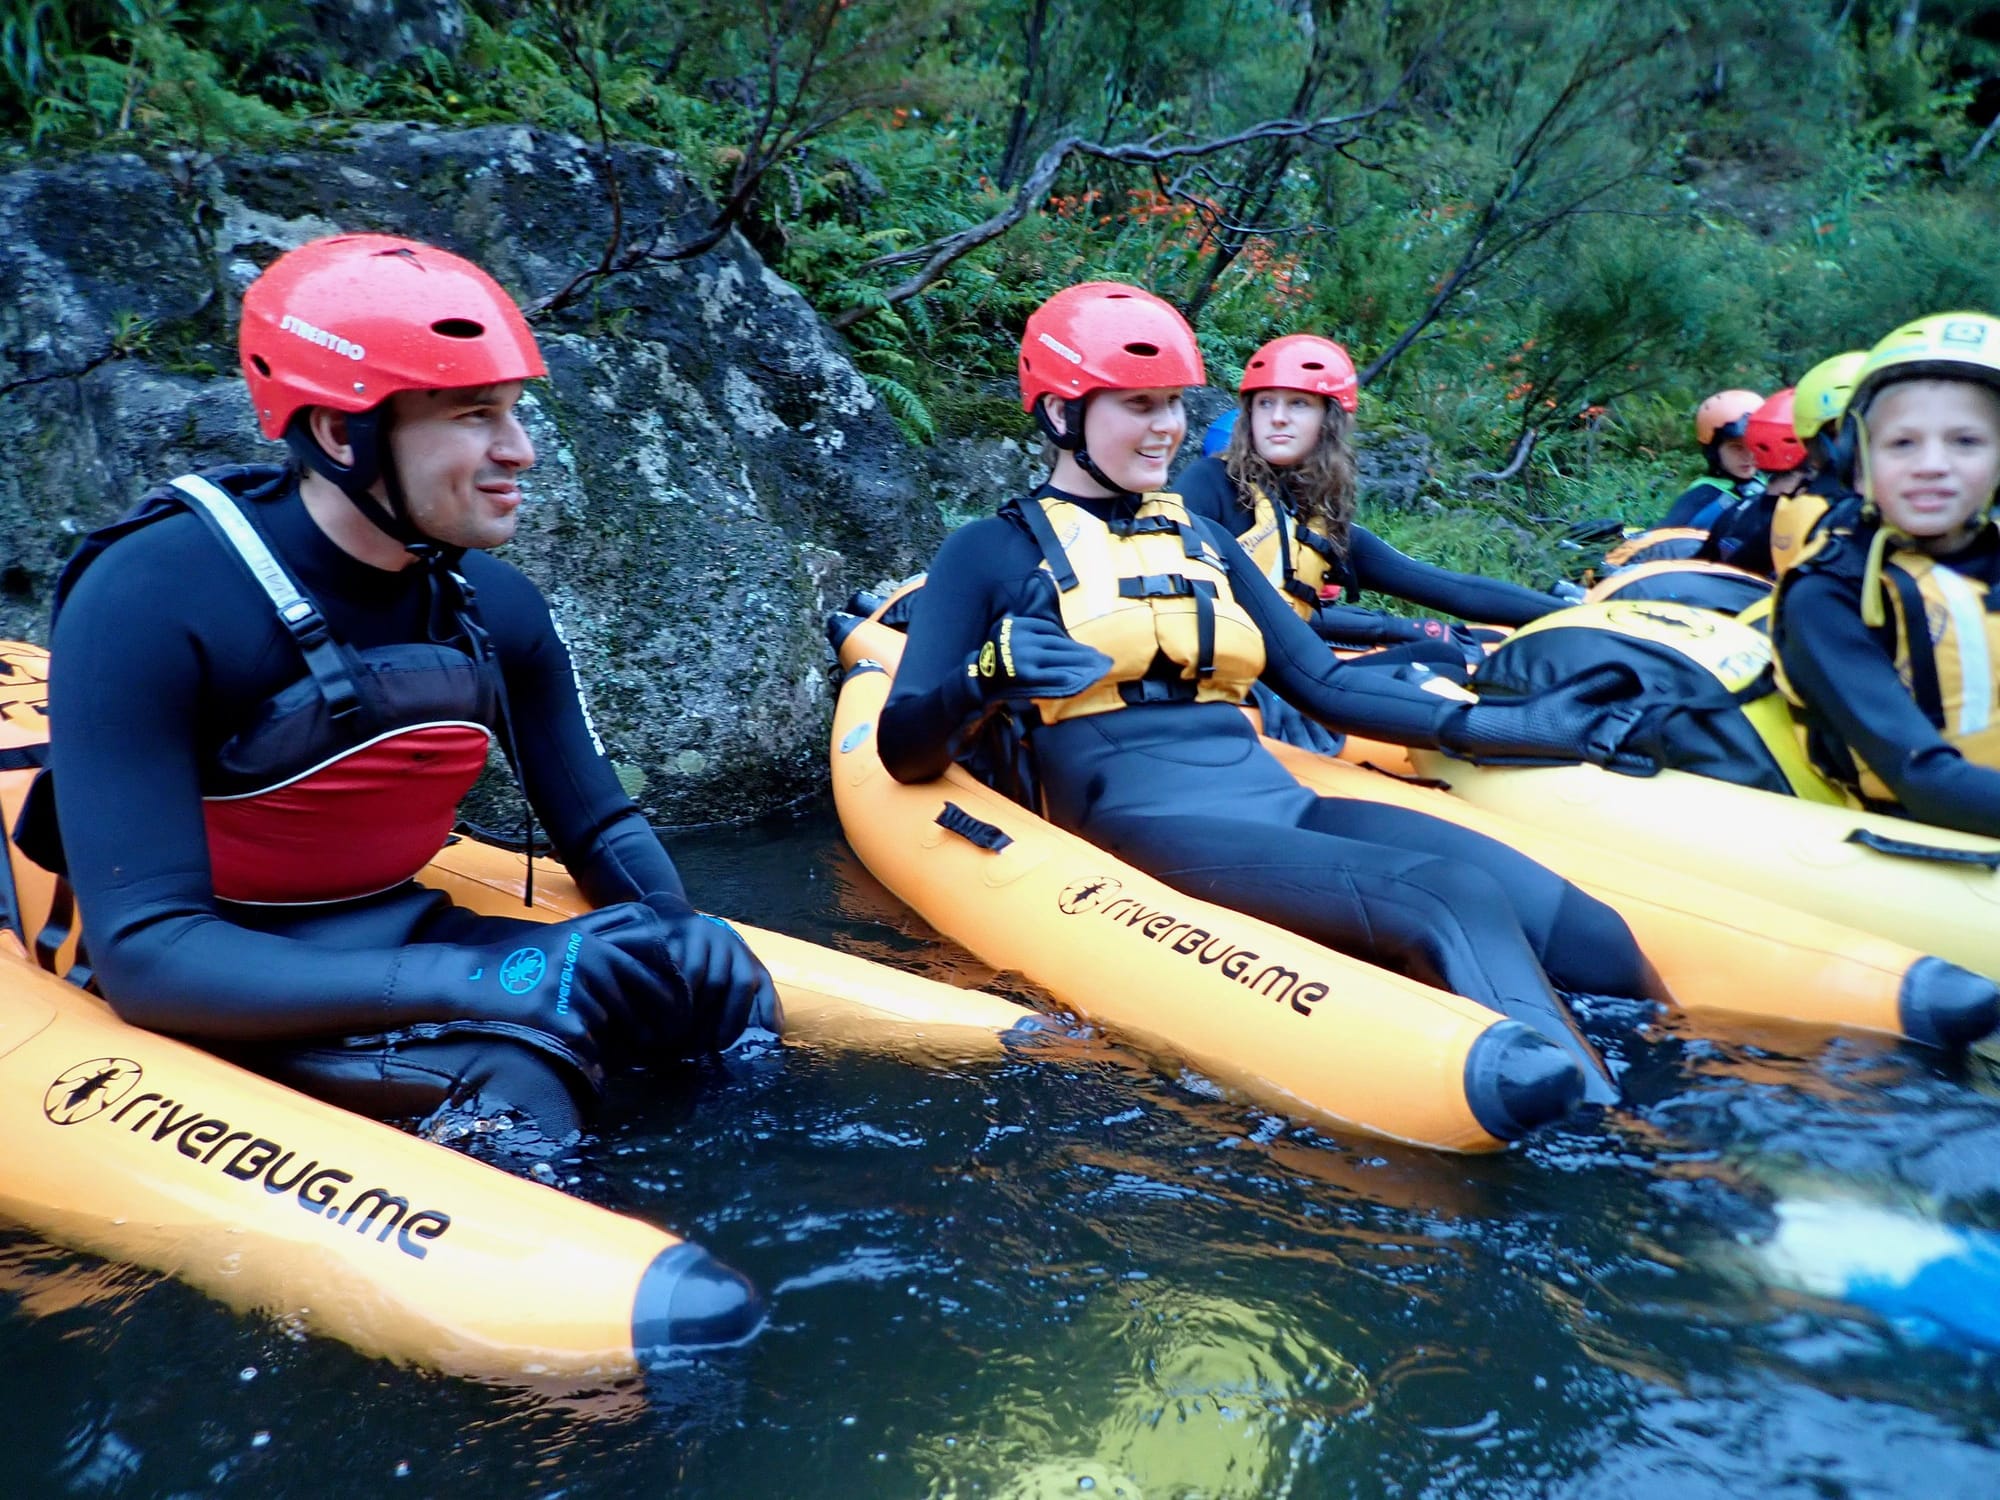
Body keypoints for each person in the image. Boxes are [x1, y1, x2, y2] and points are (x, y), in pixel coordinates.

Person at [28, 233, 780, 1143]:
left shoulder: (494, 606)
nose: (520, 451)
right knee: (522, 1076)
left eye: (514, 412)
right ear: (340, 433)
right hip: (213, 961)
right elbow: (150, 954)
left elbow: (600, 827)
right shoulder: (149, 598)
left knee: (728, 999)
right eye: (475, 415)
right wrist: (480, 982)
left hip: (395, 929)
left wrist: (673, 934)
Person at [876, 281, 1666, 1132]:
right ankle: (1612, 1147)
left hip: (1278, 803)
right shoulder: (988, 552)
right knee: (1450, 896)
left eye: (1173, 403)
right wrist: (981, 678)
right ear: (1063, 414)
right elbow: (902, 749)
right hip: (1144, 824)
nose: (1167, 426)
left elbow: (1324, 684)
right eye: (1138, 405)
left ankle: (1660, 1102)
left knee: (1593, 935)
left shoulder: (1204, 538)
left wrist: (1518, 727)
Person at [1177, 333, 1571, 647]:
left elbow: (1450, 588)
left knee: (1444, 655)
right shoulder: (1209, 483)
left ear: (1329, 420)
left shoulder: (1317, 520)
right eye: (1265, 403)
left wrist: (1572, 613)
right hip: (1217, 676)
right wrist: (1391, 629)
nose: (1278, 418)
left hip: (1284, 674)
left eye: (1298, 404)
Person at [1773, 312, 2000, 838]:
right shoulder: (1825, 595)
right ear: (1858, 462)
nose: (1932, 464)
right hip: (1913, 831)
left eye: (1966, 441)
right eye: (1902, 443)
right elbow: (1921, 779)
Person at [1659, 389, 1767, 530]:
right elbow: (1662, 534)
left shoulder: (1764, 482)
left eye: (1753, 444)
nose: (1748, 456)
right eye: (1736, 447)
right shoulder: (1703, 494)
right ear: (1714, 451)